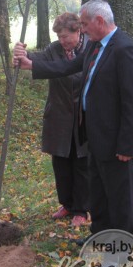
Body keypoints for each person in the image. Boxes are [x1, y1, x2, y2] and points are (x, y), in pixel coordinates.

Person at [13, 0, 133, 238]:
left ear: (99, 21)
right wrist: (30, 64)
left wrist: (127, 144)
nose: (82, 29)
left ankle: (120, 250)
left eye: (84, 24)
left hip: (116, 142)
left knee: (118, 198)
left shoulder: (124, 49)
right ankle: (99, 237)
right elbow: (67, 67)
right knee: (99, 195)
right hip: (94, 138)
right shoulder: (96, 47)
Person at [26, 12, 89, 227]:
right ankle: (67, 204)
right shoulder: (54, 49)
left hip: (83, 117)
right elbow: (36, 58)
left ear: (78, 31)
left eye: (66, 37)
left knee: (81, 163)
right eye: (60, 37)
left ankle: (81, 210)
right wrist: (21, 53)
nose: (63, 41)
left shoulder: (90, 48)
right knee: (61, 162)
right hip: (59, 116)